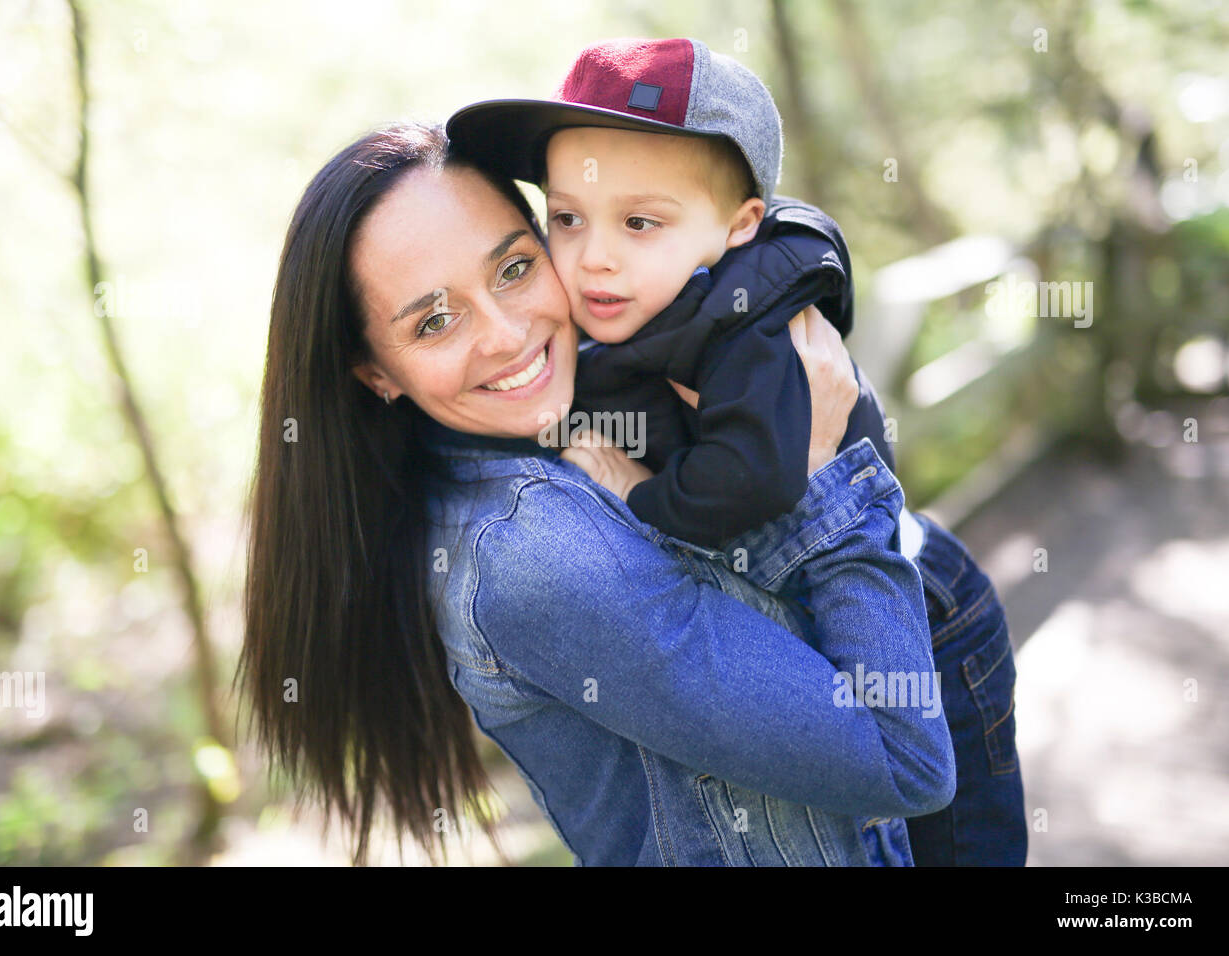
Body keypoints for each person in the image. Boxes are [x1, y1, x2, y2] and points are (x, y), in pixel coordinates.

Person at [237, 120, 956, 866]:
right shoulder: (533, 553)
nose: (508, 335)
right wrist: (821, 480)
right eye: (436, 321)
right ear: (377, 373)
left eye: (514, 269)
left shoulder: (542, 431)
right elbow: (903, 754)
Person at [447, 36, 1027, 866]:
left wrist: (639, 490)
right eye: (567, 218)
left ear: (739, 226)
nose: (594, 255)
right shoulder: (627, 300)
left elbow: (751, 477)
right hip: (821, 618)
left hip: (924, 620)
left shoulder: (755, 330)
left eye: (640, 221)